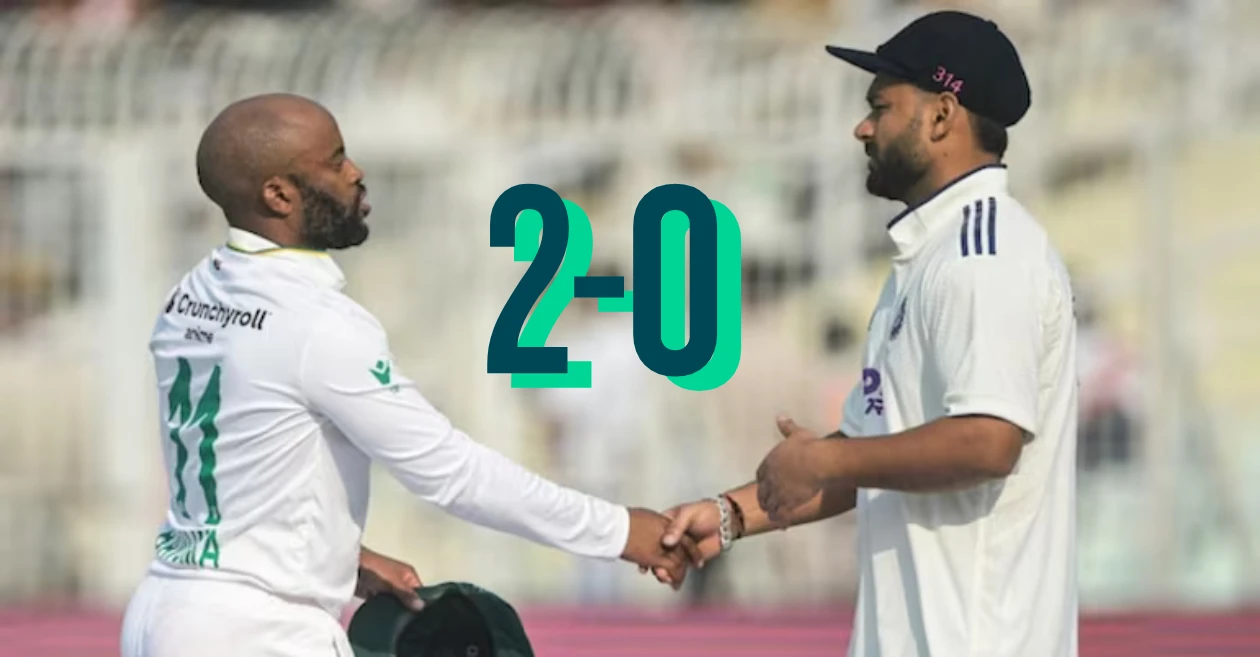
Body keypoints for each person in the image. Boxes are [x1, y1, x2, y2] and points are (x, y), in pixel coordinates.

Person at [119, 93, 694, 657]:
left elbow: (244, 459)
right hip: (259, 628)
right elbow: (451, 472)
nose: (356, 172)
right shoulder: (317, 324)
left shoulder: (193, 292)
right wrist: (619, 530)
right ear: (278, 194)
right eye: (334, 161)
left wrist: (347, 559)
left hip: (167, 607)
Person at [651, 11, 1079, 657]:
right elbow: (870, 453)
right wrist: (732, 515)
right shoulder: (930, 255)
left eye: (881, 107)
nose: (863, 126)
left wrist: (825, 459)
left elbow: (987, 441)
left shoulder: (985, 255)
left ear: (941, 115)